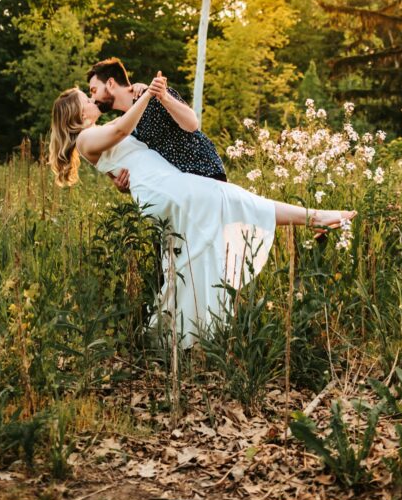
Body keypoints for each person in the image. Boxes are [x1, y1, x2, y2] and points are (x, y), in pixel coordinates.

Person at [49, 77, 356, 347]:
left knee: (189, 258)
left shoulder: (92, 136)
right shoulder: (86, 138)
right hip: (166, 189)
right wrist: (148, 94)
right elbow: (119, 131)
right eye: (85, 100)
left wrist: (122, 183)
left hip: (166, 186)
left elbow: (123, 166)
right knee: (229, 200)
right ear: (77, 114)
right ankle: (316, 217)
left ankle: (175, 336)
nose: (92, 100)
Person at [87, 58, 227, 189]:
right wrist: (122, 184)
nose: (92, 98)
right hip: (176, 186)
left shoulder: (154, 95)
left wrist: (164, 97)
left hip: (205, 174)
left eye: (94, 91)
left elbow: (192, 124)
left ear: (111, 84)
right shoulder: (126, 122)